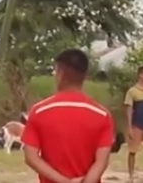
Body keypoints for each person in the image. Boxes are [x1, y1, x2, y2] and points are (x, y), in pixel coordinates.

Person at [21, 49, 115, 183]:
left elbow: (31, 157)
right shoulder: (102, 114)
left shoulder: (39, 111)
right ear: (84, 75)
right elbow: (101, 162)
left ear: (60, 73)